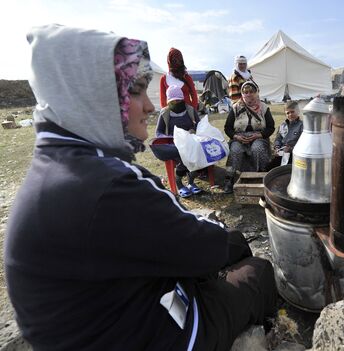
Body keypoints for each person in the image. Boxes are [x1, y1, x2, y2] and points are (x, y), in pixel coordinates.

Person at [5, 24, 277, 351]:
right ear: (95, 96)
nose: (149, 107)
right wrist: (220, 234)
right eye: (134, 91)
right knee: (255, 270)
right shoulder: (106, 184)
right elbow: (204, 249)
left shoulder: (59, 167)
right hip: (155, 335)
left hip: (108, 319)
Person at [223, 81, 275, 193]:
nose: (248, 94)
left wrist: (259, 135)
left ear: (256, 92)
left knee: (257, 149)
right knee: (235, 150)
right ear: (242, 93)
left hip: (259, 137)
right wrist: (236, 137)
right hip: (239, 138)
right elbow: (228, 128)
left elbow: (271, 127)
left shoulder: (264, 107)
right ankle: (230, 179)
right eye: (245, 92)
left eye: (251, 91)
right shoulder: (236, 107)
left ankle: (261, 176)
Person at [156, 85, 202, 197]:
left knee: (199, 153)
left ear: (182, 99)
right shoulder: (164, 113)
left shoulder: (190, 110)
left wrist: (192, 131)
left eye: (178, 100)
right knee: (182, 154)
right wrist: (170, 138)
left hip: (190, 141)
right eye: (173, 100)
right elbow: (159, 132)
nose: (176, 102)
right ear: (169, 101)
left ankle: (191, 182)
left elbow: (199, 126)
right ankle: (179, 183)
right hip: (174, 144)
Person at [267, 100, 303, 170]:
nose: (290, 114)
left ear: (298, 111)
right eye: (287, 113)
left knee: (287, 169)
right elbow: (278, 138)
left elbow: (303, 143)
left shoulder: (302, 126)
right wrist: (277, 147)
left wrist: (291, 149)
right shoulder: (282, 125)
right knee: (269, 168)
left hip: (295, 155)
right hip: (282, 153)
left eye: (292, 112)